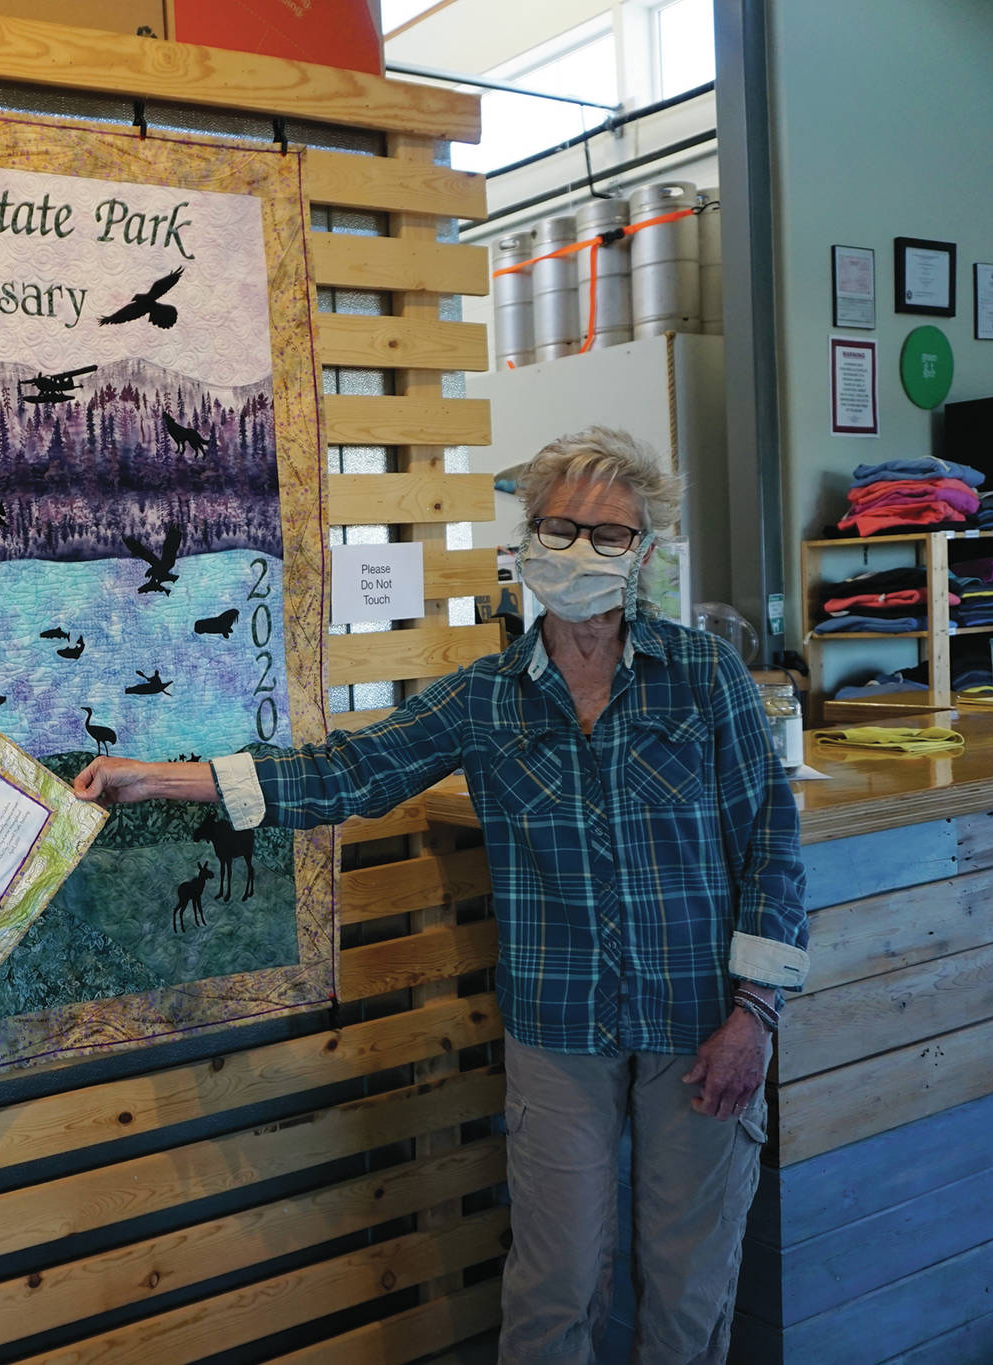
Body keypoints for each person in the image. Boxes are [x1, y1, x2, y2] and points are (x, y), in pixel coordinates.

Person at [74, 427, 807, 1364]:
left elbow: (773, 849)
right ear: (529, 539)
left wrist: (756, 1013)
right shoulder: (485, 698)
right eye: (561, 526)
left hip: (703, 1023)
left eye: (610, 534)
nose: (582, 550)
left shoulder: (705, 678)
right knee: (553, 1289)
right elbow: (347, 772)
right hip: (559, 1026)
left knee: (689, 1294)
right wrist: (167, 779)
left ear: (648, 551)